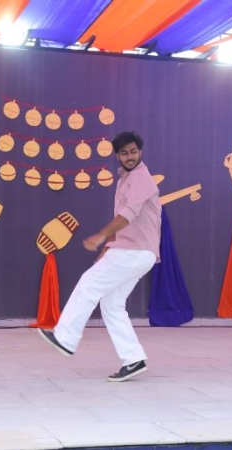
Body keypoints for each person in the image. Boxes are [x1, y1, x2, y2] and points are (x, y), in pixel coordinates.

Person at [38, 131, 161, 382]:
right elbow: (125, 223)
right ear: (117, 155)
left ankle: (65, 338)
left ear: (140, 152)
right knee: (111, 304)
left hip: (135, 251)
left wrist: (101, 236)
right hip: (134, 251)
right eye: (124, 153)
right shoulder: (125, 179)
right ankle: (133, 359)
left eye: (133, 152)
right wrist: (108, 246)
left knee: (88, 284)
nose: (129, 157)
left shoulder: (140, 178)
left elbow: (127, 216)